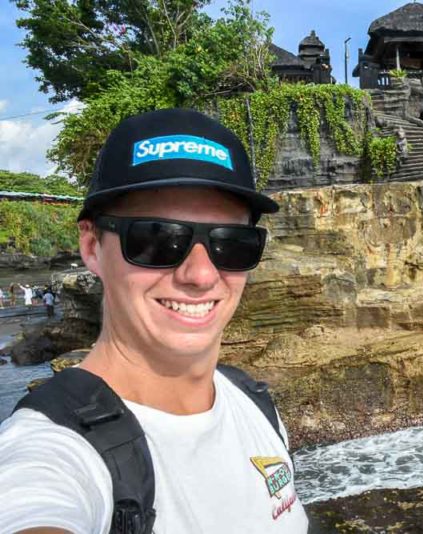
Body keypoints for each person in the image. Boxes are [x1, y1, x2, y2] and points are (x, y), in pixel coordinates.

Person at [0, 109, 308, 533]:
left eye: (231, 243)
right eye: (157, 239)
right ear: (92, 247)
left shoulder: (255, 404)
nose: (200, 275)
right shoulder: (53, 449)